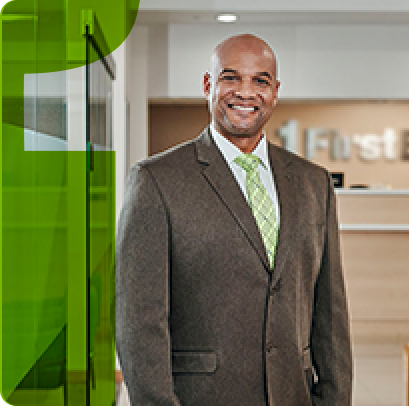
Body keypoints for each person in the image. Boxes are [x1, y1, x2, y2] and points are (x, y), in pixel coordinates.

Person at [116, 33, 352, 406]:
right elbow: (139, 325)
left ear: (275, 92)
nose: (245, 92)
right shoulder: (156, 181)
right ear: (208, 85)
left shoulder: (313, 183)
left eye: (260, 80)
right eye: (231, 77)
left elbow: (331, 312)